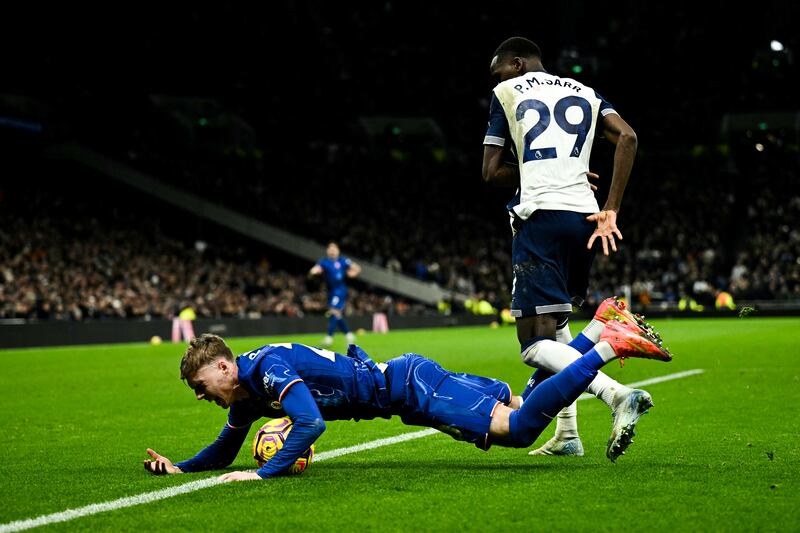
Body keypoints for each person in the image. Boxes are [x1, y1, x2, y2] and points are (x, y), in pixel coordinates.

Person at [143, 310, 671, 481]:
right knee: (517, 413)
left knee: (519, 430)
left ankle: (607, 348)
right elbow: (223, 448)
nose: (199, 395)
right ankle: (598, 327)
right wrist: (182, 469)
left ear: (221, 365)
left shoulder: (268, 368)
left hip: (412, 388)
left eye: (199, 386)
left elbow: (309, 426)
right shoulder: (245, 394)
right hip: (406, 389)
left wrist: (260, 475)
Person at [481, 37, 645, 459]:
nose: (495, 80)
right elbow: (627, 138)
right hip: (584, 220)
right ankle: (568, 433)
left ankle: (615, 394)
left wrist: (533, 171)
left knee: (533, 347)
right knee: (556, 328)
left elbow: (491, 171)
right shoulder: (586, 92)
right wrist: (611, 208)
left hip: (540, 219)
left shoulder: (506, 93)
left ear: (517, 65)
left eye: (499, 71)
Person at [308, 242, 361, 346]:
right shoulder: (324, 262)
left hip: (340, 290)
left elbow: (357, 267)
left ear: (338, 250)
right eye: (330, 249)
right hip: (331, 291)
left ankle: (329, 337)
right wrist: (313, 271)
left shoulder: (343, 260)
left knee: (333, 310)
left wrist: (353, 273)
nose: (332, 251)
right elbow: (317, 268)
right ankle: (349, 334)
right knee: (336, 314)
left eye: (334, 249)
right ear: (327, 251)